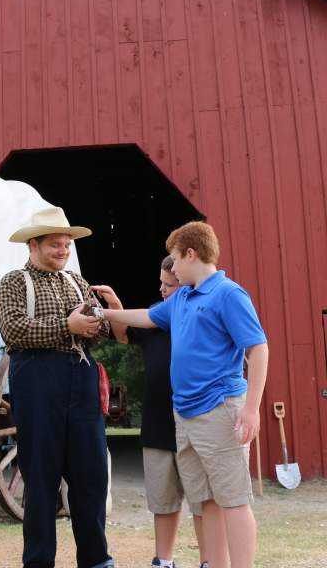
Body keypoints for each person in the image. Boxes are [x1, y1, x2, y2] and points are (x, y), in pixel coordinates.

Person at [99, 221, 268, 568]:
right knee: (206, 501)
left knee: (233, 500)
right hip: (184, 416)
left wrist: (251, 409)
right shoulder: (184, 298)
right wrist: (104, 312)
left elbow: (259, 348)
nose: (172, 268)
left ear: (191, 254)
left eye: (175, 259)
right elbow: (145, 317)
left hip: (220, 411)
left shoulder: (228, 294)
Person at [0, 206, 114, 568]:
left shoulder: (77, 281)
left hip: (81, 377)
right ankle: (39, 561)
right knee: (41, 478)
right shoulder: (14, 282)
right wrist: (68, 326)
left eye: (66, 245)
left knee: (91, 476)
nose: (63, 251)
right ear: (34, 245)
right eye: (55, 245)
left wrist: (96, 325)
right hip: (38, 381)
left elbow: (101, 329)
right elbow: (13, 329)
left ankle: (96, 560)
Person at [93, 256, 209, 568]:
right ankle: (164, 561)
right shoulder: (155, 318)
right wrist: (115, 305)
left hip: (197, 422)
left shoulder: (204, 316)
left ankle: (209, 561)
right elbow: (121, 334)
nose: (162, 288)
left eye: (169, 284)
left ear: (186, 283)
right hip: (158, 423)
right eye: (161, 282)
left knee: (202, 502)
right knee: (163, 501)